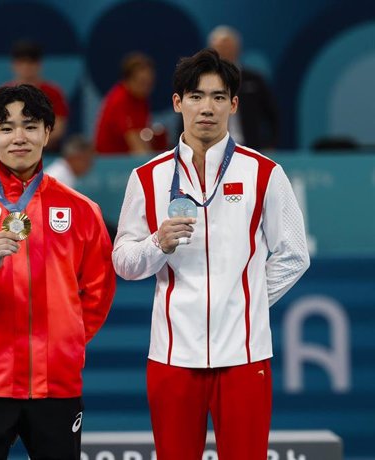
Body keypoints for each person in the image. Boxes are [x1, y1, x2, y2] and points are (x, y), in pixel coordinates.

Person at [112, 49, 309, 459]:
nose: (207, 107)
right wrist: (157, 244)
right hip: (172, 354)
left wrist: (246, 300)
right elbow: (124, 263)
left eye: (219, 97)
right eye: (197, 96)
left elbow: (294, 253)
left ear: (234, 105)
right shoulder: (146, 178)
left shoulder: (264, 173)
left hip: (244, 353)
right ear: (177, 102)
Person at [0, 84, 115, 459]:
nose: (19, 137)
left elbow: (98, 291)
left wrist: (66, 344)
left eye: (30, 126)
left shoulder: (82, 211)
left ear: (48, 133)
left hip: (57, 386)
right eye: (6, 128)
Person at [209, 25, 279, 150]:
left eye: (228, 47)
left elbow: (272, 115)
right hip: (212, 148)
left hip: (250, 147)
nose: (224, 52)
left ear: (237, 49)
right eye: (220, 48)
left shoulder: (254, 80)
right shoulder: (202, 82)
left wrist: (271, 144)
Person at [8, 40, 69, 150]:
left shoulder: (53, 93)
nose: (26, 66)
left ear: (39, 64)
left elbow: (58, 128)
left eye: (31, 62)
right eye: (22, 62)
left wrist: (32, 147)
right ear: (14, 65)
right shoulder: (3, 94)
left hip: (47, 155)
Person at [94, 52, 156, 155]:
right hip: (110, 164)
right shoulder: (120, 100)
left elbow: (143, 137)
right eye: (142, 82)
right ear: (128, 80)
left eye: (149, 83)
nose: (147, 88)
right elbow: (136, 145)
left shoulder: (141, 98)